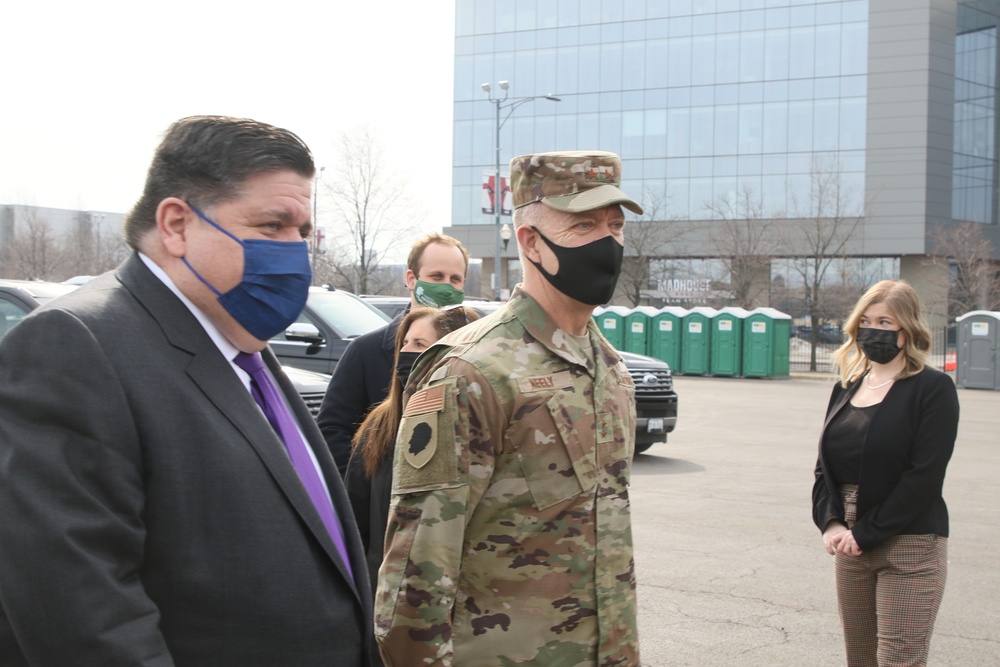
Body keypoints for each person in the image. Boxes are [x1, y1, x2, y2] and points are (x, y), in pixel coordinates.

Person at [0, 116, 372, 666]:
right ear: (176, 223)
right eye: (272, 225)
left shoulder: (242, 345)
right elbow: (83, 613)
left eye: (303, 231)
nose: (296, 251)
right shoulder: (75, 346)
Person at [375, 151, 642, 666]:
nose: (607, 242)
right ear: (531, 242)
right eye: (584, 224)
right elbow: (417, 571)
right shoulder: (471, 371)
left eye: (615, 224)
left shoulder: (611, 370)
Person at [812, 279, 960, 667]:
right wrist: (830, 523)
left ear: (907, 329)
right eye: (866, 320)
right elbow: (824, 471)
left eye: (884, 322)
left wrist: (866, 532)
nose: (872, 330)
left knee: (899, 660)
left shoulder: (933, 388)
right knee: (860, 659)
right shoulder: (846, 387)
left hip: (909, 542)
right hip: (849, 543)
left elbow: (924, 476)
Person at [345, 304, 480, 666]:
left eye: (421, 345)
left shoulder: (472, 430)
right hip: (384, 611)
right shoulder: (380, 425)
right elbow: (354, 519)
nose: (407, 355)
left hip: (460, 620)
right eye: (405, 344)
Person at [317, 233, 469, 474]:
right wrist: (366, 490)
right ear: (411, 279)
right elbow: (333, 431)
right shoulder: (365, 351)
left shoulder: (475, 349)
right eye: (436, 276)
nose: (446, 287)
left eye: (456, 279)